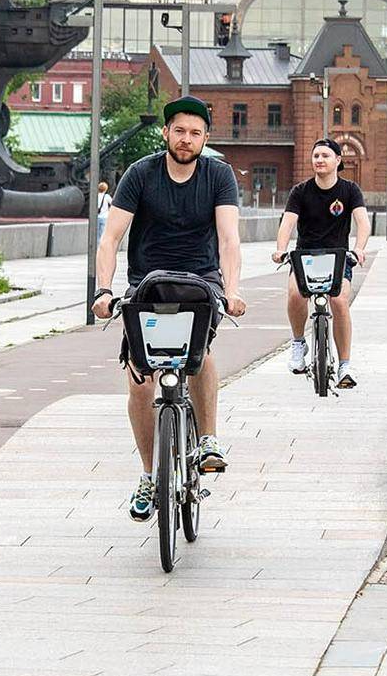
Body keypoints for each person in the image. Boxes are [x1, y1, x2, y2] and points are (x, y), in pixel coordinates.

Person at [91, 96, 247, 521]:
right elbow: (111, 238)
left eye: (195, 133)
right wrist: (103, 290)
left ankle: (209, 438)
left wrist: (232, 290)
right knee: (140, 382)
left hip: (201, 282)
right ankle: (148, 474)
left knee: (200, 356)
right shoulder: (141, 175)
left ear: (205, 138)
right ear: (166, 133)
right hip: (148, 283)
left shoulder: (218, 175)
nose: (186, 139)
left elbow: (230, 239)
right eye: (179, 130)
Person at [273, 138, 369, 387]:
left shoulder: (350, 191)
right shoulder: (301, 191)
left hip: (338, 257)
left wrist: (359, 248)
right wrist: (281, 249)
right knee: (295, 295)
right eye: (316, 156)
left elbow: (362, 222)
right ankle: (298, 344)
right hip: (306, 256)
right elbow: (288, 222)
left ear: (338, 160)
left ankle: (345, 365)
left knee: (338, 301)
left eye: (325, 156)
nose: (319, 160)